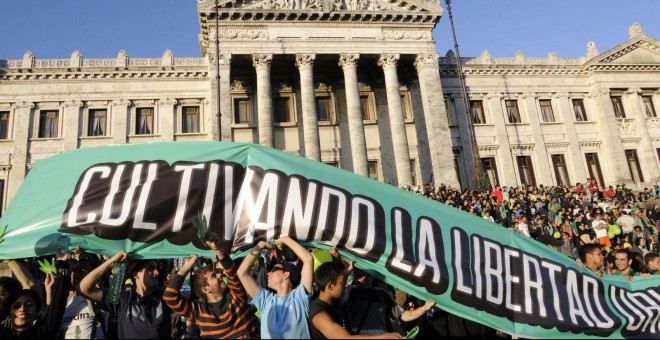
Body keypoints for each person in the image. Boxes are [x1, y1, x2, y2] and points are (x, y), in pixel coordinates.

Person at [164, 241, 259, 338]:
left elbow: (231, 270)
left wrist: (217, 250)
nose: (220, 277)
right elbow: (169, 297)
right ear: (205, 289)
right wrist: (187, 265)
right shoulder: (200, 312)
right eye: (213, 276)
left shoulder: (235, 295)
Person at [79, 251, 172, 339]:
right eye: (151, 269)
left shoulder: (164, 295)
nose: (157, 272)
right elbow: (84, 288)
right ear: (135, 274)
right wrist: (111, 262)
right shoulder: (123, 299)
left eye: (157, 269)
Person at [237, 236, 314, 339]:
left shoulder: (300, 297)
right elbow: (241, 273)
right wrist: (260, 245)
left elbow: (308, 260)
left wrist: (285, 239)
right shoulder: (265, 300)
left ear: (286, 274)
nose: (268, 273)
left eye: (274, 269)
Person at [309, 261, 405, 339]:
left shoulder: (331, 299)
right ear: (330, 286)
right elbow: (346, 338)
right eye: (343, 282)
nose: (346, 284)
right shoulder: (320, 316)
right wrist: (384, 337)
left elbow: (340, 276)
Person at [0, 254, 72, 339]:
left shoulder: (43, 334)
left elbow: (56, 306)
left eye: (29, 305)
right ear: (9, 311)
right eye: (16, 306)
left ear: (37, 311)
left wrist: (62, 265)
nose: (22, 309)